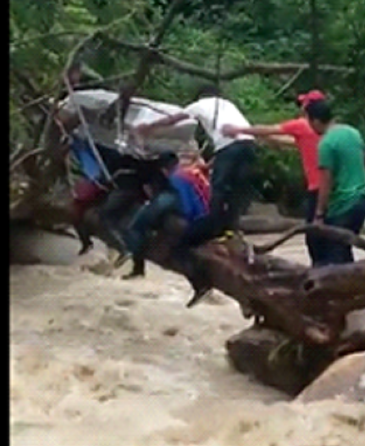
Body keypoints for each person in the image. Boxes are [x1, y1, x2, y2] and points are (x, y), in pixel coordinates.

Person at [133, 84, 256, 246]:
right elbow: (230, 151)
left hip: (228, 147)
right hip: (250, 145)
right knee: (236, 190)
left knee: (218, 190)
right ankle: (230, 228)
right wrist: (209, 166)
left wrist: (148, 127)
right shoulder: (229, 105)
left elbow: (174, 119)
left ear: (201, 96)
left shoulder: (200, 104)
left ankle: (211, 227)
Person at [221, 90, 326, 266]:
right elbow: (293, 142)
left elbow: (272, 129)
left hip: (316, 187)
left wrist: (238, 129)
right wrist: (263, 137)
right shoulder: (321, 130)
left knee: (313, 235)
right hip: (329, 186)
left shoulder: (301, 125)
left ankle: (321, 268)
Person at [116, 152, 215, 306]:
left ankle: (136, 264)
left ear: (163, 170)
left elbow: (158, 208)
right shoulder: (192, 174)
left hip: (187, 218)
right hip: (206, 215)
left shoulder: (173, 182)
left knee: (136, 228)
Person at [305, 99, 365, 266]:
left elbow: (326, 181)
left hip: (343, 204)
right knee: (343, 247)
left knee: (333, 252)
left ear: (316, 121)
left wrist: (319, 213)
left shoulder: (326, 144)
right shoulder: (353, 132)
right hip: (363, 199)